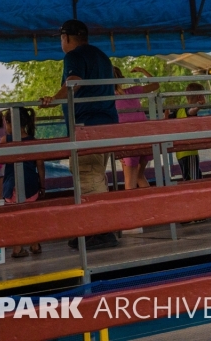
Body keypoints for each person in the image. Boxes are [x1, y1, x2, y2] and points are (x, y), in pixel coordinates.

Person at [40, 19, 119, 250]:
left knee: (87, 175)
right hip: (107, 122)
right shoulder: (102, 56)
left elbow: (74, 83)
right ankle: (93, 229)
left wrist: (53, 99)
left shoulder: (73, 56)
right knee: (94, 174)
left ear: (66, 37)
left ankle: (101, 231)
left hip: (87, 124)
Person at [2, 108, 45, 257]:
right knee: (30, 216)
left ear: (8, 122)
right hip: (30, 184)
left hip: (10, 184)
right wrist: (42, 185)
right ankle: (34, 244)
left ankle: (17, 247)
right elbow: (40, 165)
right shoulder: (34, 142)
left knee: (14, 217)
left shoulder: (4, 141)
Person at [114, 66, 160, 190]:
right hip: (144, 138)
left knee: (130, 182)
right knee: (139, 176)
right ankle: (152, 204)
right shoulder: (132, 91)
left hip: (129, 141)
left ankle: (133, 207)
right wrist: (142, 70)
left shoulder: (109, 99)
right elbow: (155, 85)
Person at [175, 83, 206, 182]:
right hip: (190, 151)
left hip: (180, 153)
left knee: (191, 176)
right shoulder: (188, 109)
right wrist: (198, 106)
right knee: (193, 179)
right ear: (199, 96)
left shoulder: (178, 110)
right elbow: (191, 111)